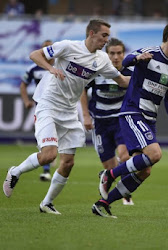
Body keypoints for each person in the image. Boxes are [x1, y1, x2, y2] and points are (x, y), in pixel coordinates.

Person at [3, 18, 130, 215]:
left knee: (68, 162)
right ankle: (15, 172)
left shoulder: (101, 60)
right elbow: (34, 55)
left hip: (69, 111)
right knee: (49, 155)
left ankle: (47, 203)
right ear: (91, 34)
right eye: (104, 35)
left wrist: (144, 78)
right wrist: (51, 68)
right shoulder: (68, 47)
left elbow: (122, 81)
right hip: (49, 105)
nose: (106, 40)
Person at [92, 19, 168, 218]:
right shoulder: (150, 53)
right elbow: (126, 62)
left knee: (145, 170)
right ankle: (109, 174)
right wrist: (137, 60)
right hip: (133, 112)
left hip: (150, 119)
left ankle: (103, 203)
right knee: (155, 155)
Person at [80, 37, 134, 205]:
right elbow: (82, 90)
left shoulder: (129, 74)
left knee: (125, 155)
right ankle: (112, 176)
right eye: (112, 53)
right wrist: (86, 116)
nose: (116, 57)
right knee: (109, 167)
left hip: (120, 121)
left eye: (119, 53)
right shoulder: (96, 71)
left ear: (124, 54)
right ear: (106, 54)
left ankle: (126, 193)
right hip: (100, 124)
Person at [20, 40, 54, 182]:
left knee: (57, 141)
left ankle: (59, 167)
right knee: (46, 139)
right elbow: (23, 85)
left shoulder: (60, 66)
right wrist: (26, 101)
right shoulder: (33, 69)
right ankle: (47, 170)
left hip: (59, 108)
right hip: (42, 108)